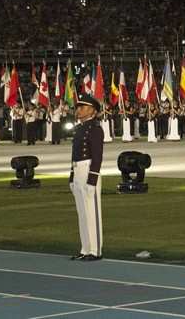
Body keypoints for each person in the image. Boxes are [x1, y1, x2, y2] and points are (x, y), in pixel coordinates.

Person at [69, 94, 104, 261]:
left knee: (92, 212)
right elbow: (74, 155)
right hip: (78, 170)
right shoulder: (79, 128)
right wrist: (71, 176)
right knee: (82, 213)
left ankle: (95, 250)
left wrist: (92, 179)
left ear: (92, 110)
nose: (78, 110)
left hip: (88, 170)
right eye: (78, 107)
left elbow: (97, 157)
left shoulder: (95, 129)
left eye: (82, 107)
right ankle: (85, 248)